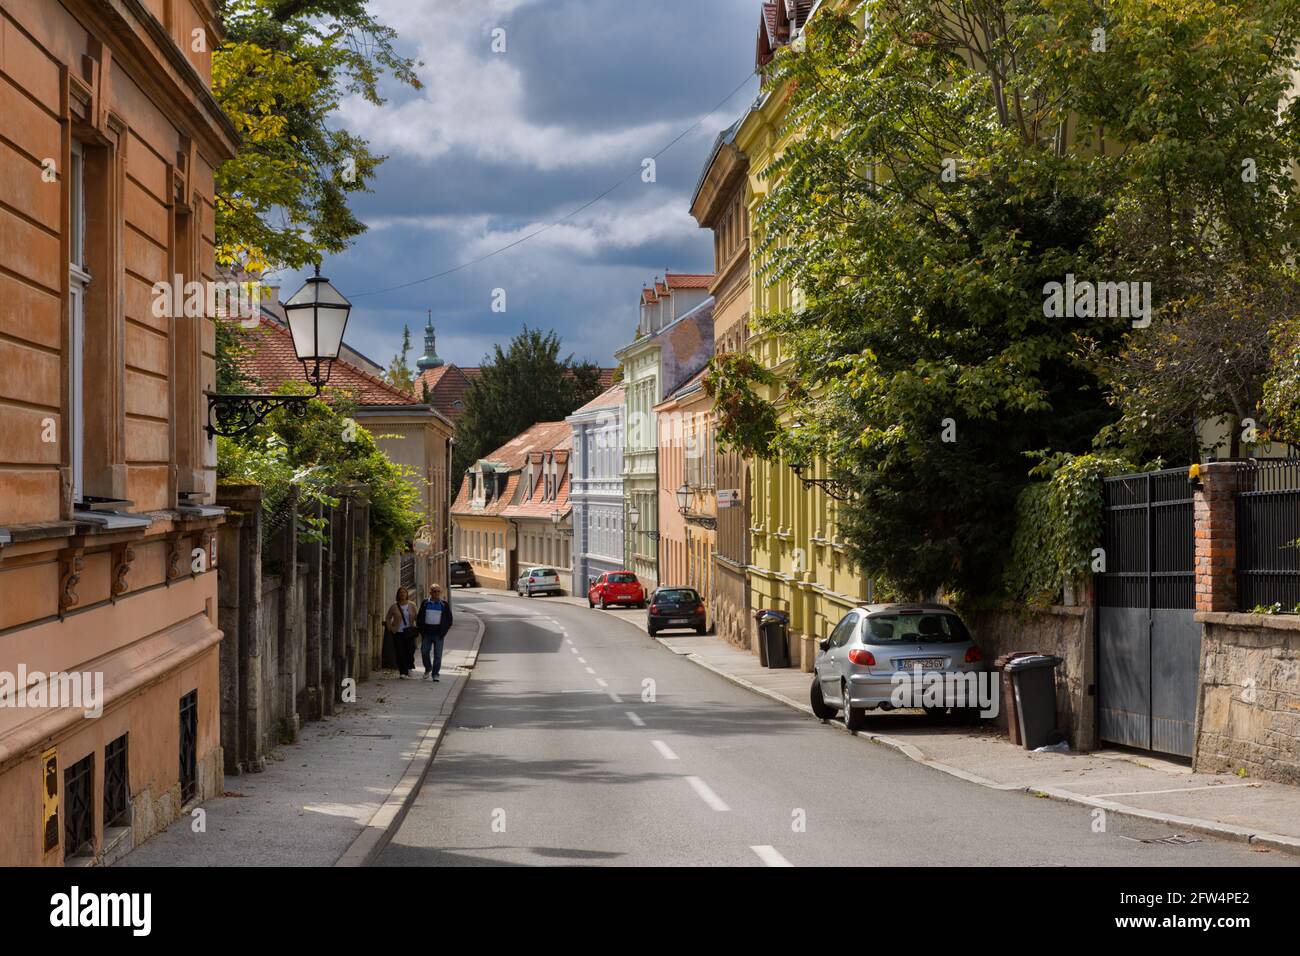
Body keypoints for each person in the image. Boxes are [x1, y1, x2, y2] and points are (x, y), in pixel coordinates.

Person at [417, 583, 454, 682]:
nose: (436, 593)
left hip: (439, 634)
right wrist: (421, 630)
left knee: (438, 655)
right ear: (430, 592)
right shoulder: (425, 603)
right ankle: (428, 668)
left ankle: (435, 674)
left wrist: (444, 631)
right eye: (434, 591)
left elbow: (449, 619)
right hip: (427, 634)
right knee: (424, 651)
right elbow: (419, 618)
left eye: (438, 591)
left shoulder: (444, 605)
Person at [385, 586, 418, 678]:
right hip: (398, 632)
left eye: (404, 592)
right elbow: (388, 618)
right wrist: (390, 628)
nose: (402, 594)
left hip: (409, 632)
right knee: (400, 652)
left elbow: (416, 617)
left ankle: (409, 667)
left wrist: (418, 626)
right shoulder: (394, 606)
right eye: (400, 593)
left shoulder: (412, 605)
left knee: (410, 650)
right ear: (398, 595)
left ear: (407, 594)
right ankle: (402, 672)